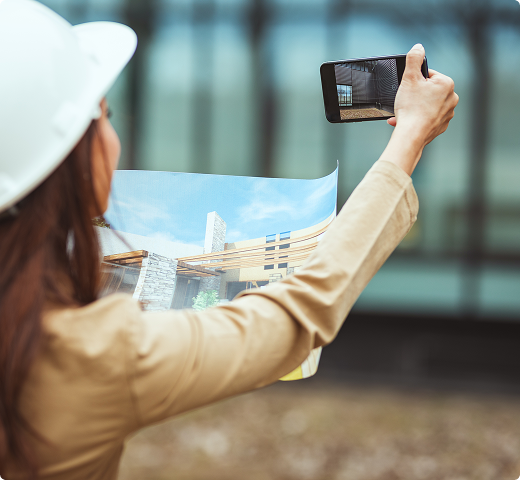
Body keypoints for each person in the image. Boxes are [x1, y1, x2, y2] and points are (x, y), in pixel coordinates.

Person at [0, 1, 458, 479]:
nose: (113, 136)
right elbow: (296, 314)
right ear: (71, 156)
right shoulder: (89, 358)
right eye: (105, 113)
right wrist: (409, 138)